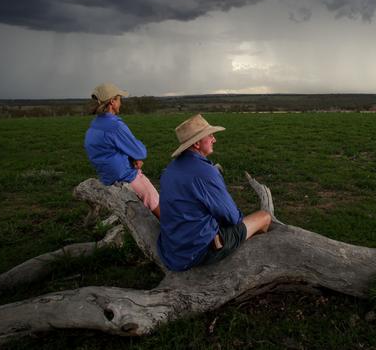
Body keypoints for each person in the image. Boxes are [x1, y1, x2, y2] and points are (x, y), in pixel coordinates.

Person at [158, 114, 271, 271]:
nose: (214, 139)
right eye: (210, 135)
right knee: (264, 217)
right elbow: (233, 217)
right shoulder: (205, 172)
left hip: (171, 250)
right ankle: (259, 264)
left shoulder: (169, 170)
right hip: (196, 252)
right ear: (197, 143)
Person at [84, 83, 160, 219]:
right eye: (119, 99)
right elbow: (140, 152)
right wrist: (135, 156)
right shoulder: (115, 126)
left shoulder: (95, 124)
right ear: (112, 102)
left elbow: (109, 151)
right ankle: (174, 234)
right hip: (126, 177)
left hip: (107, 178)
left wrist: (131, 158)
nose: (121, 103)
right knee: (154, 201)